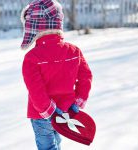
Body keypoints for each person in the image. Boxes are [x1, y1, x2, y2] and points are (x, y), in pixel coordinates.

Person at [20, 0, 92, 149]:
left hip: (41, 115)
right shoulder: (74, 51)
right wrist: (77, 101)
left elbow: (36, 90)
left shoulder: (32, 58)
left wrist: (49, 110)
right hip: (65, 112)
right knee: (56, 144)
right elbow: (86, 77)